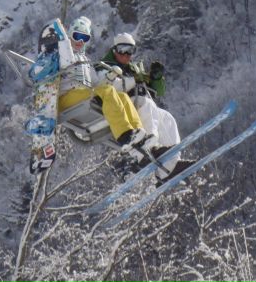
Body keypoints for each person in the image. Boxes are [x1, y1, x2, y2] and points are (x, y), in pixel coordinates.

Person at [98, 33, 195, 184]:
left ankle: (172, 163)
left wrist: (156, 78)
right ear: (115, 49)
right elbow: (107, 87)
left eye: (131, 51)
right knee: (146, 103)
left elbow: (158, 92)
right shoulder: (104, 66)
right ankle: (149, 144)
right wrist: (133, 80)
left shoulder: (133, 69)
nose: (127, 54)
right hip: (122, 105)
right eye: (123, 49)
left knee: (167, 117)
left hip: (138, 103)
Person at [56, 16, 147, 148]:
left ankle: (137, 131)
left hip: (82, 95)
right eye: (77, 36)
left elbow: (97, 84)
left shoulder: (86, 61)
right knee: (107, 90)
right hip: (66, 97)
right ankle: (124, 135)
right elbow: (52, 64)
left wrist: (109, 77)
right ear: (70, 35)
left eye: (85, 38)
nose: (80, 41)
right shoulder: (62, 54)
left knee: (122, 96)